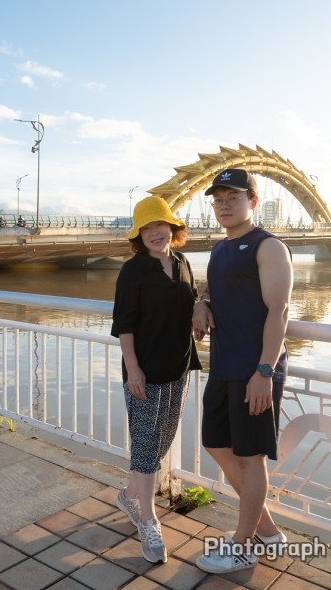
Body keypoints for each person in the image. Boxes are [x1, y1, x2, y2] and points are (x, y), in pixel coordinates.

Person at [192, 169, 293, 574]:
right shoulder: (220, 248)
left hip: (255, 368)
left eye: (233, 197)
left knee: (251, 459)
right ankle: (267, 530)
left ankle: (242, 544)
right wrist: (201, 301)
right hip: (224, 365)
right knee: (215, 444)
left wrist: (264, 371)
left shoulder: (268, 247)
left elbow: (278, 311)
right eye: (218, 198)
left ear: (252, 200)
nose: (224, 204)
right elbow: (218, 288)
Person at [110, 196, 202, 563]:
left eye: (159, 225)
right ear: (139, 235)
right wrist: (133, 369)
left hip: (178, 367)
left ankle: (130, 495)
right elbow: (125, 326)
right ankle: (148, 519)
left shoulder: (182, 262)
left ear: (172, 229)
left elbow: (192, 298)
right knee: (146, 445)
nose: (154, 233)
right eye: (147, 228)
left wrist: (202, 306)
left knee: (162, 439)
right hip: (144, 372)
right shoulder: (132, 271)